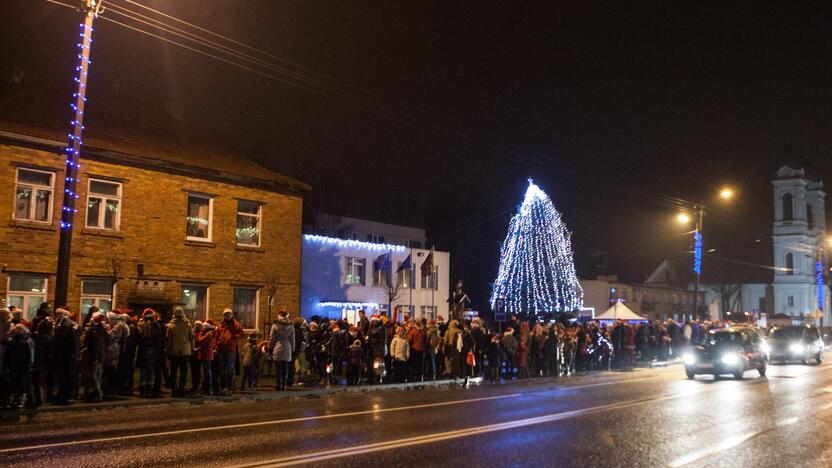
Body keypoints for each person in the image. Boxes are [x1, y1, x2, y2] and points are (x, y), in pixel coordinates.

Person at [52, 307, 80, 405]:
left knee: (68, 376)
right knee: (63, 376)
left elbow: (73, 343)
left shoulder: (69, 325)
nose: (56, 316)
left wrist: (74, 355)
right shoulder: (62, 324)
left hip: (68, 356)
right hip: (64, 355)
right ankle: (63, 394)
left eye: (57, 314)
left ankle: (68, 396)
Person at [30, 302, 55, 406]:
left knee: (41, 374)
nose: (50, 309)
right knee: (43, 374)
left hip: (41, 349)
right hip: (44, 350)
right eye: (49, 308)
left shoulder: (39, 319)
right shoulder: (46, 319)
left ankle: (41, 396)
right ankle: (43, 396)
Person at [165, 306, 194, 397]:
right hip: (185, 351)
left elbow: (168, 340)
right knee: (183, 372)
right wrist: (192, 348)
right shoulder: (188, 324)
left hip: (174, 351)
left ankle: (174, 389)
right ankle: (182, 389)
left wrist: (167, 350)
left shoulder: (170, 326)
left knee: (173, 371)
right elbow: (191, 337)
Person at [4, 324, 34, 408]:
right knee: (21, 384)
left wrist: (5, 366)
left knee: (15, 383)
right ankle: (20, 400)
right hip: (22, 366)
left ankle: (14, 400)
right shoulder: (26, 341)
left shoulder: (13, 342)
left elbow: (7, 356)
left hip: (15, 366)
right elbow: (29, 356)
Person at [137, 309, 164, 398]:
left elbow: (139, 338)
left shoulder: (141, 325)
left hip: (143, 350)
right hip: (153, 351)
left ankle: (143, 390)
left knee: (143, 371)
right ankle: (150, 390)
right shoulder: (156, 326)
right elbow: (158, 337)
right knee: (151, 371)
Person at [216, 308, 243, 396]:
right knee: (221, 368)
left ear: (231, 315)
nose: (227, 316)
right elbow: (218, 334)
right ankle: (223, 387)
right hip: (221, 348)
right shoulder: (221, 324)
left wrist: (234, 337)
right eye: (225, 314)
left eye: (229, 314)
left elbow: (241, 333)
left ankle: (230, 387)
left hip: (230, 349)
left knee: (230, 368)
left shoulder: (235, 324)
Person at [104, 311, 130, 399]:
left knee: (112, 371)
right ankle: (108, 390)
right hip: (111, 350)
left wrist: (106, 329)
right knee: (110, 371)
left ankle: (112, 391)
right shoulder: (117, 325)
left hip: (113, 350)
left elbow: (111, 336)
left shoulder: (118, 326)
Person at [268, 310, 295, 391]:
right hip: (287, 348)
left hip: (278, 347)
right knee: (285, 368)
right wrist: (293, 349)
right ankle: (284, 385)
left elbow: (272, 338)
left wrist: (270, 347)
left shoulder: (275, 325)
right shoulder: (291, 325)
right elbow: (292, 339)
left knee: (278, 369)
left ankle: (279, 384)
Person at [119, 312, 140, 396]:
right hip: (129, 352)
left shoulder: (129, 327)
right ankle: (127, 388)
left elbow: (129, 341)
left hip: (128, 352)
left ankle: (127, 388)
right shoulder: (131, 326)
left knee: (127, 370)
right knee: (128, 370)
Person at [195, 320, 217, 394]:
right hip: (206, 354)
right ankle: (206, 388)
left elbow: (200, 341)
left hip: (206, 355)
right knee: (206, 372)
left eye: (203, 327)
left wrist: (200, 333)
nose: (202, 328)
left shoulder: (208, 334)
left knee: (207, 372)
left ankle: (208, 389)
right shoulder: (208, 333)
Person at [367, 315, 386, 384]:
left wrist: (380, 351)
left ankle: (376, 378)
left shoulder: (381, 328)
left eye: (374, 321)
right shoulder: (371, 328)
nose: (372, 322)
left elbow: (382, 340)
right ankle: (371, 378)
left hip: (376, 349)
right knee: (370, 364)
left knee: (377, 365)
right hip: (370, 349)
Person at [189, 321, 203, 393]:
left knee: (197, 371)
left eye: (198, 325)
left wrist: (197, 349)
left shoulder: (201, 334)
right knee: (193, 371)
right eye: (195, 325)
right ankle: (194, 385)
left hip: (198, 355)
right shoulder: (193, 333)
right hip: (192, 355)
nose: (196, 327)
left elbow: (201, 343)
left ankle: (196, 386)